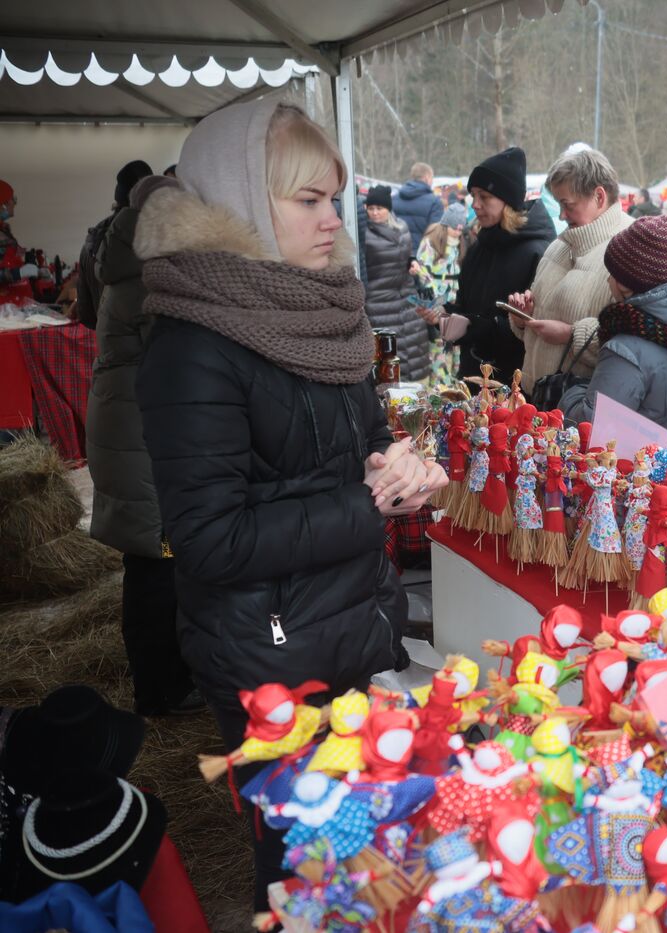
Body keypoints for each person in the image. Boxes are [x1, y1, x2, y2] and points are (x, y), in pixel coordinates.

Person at [133, 98, 446, 913]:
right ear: (238, 203)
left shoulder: (317, 304)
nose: (331, 221)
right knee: (303, 870)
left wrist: (397, 463)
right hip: (267, 656)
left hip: (343, 624)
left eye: (333, 199)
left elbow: (360, 437)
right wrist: (368, 500)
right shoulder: (194, 343)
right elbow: (207, 539)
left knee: (356, 855)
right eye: (307, 201)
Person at [84, 170, 200, 718]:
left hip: (126, 426)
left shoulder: (126, 259)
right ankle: (161, 690)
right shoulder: (155, 274)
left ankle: (163, 682)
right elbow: (178, 358)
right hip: (144, 433)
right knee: (158, 566)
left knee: (153, 563)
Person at [562, 216, 667, 449]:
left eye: (612, 273)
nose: (607, 279)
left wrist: (571, 393)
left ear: (625, 286)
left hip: (644, 475)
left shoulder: (626, 349)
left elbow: (591, 425)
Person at [507, 146, 633, 395]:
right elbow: (535, 329)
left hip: (581, 412)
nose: (562, 215)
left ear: (599, 196)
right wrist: (524, 317)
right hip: (537, 401)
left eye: (567, 204)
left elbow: (634, 341)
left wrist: (572, 335)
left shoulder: (630, 247)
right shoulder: (558, 246)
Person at [441, 146, 556, 378]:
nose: (474, 204)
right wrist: (443, 317)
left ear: (508, 201)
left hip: (513, 386)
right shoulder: (478, 247)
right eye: (473, 195)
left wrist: (482, 328)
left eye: (484, 196)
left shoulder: (538, 252)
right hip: (472, 379)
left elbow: (535, 328)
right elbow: (466, 307)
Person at [362, 184, 428, 381]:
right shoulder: (364, 234)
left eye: (379, 208)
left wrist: (411, 262)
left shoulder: (402, 227)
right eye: (370, 208)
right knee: (388, 358)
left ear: (388, 209)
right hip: (380, 303)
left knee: (413, 353)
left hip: (407, 299)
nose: (374, 213)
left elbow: (405, 256)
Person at [76, 161, 152, 330]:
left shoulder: (91, 241)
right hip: (148, 349)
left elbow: (85, 312)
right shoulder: (156, 242)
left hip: (105, 345)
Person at [412, 201, 469, 384]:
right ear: (446, 225)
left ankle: (454, 384)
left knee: (456, 350)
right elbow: (422, 272)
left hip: (454, 306)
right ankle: (440, 389)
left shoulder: (460, 245)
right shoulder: (431, 243)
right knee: (439, 351)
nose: (457, 233)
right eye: (454, 228)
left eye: (460, 230)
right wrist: (434, 300)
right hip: (437, 304)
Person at [392, 161, 444, 252]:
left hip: (397, 254)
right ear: (427, 177)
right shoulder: (435, 202)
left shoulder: (394, 199)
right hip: (422, 255)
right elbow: (436, 235)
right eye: (432, 178)